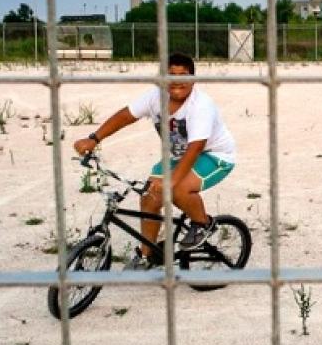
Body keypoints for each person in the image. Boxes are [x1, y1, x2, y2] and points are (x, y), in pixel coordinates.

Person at [73, 52, 236, 270]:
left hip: (214, 155)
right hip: (181, 156)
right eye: (171, 75)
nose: (177, 81)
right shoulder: (155, 97)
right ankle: (146, 255)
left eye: (183, 75)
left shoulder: (200, 106)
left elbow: (196, 148)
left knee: (177, 189)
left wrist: (172, 181)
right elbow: (126, 116)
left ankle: (202, 224)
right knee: (150, 196)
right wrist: (94, 138)